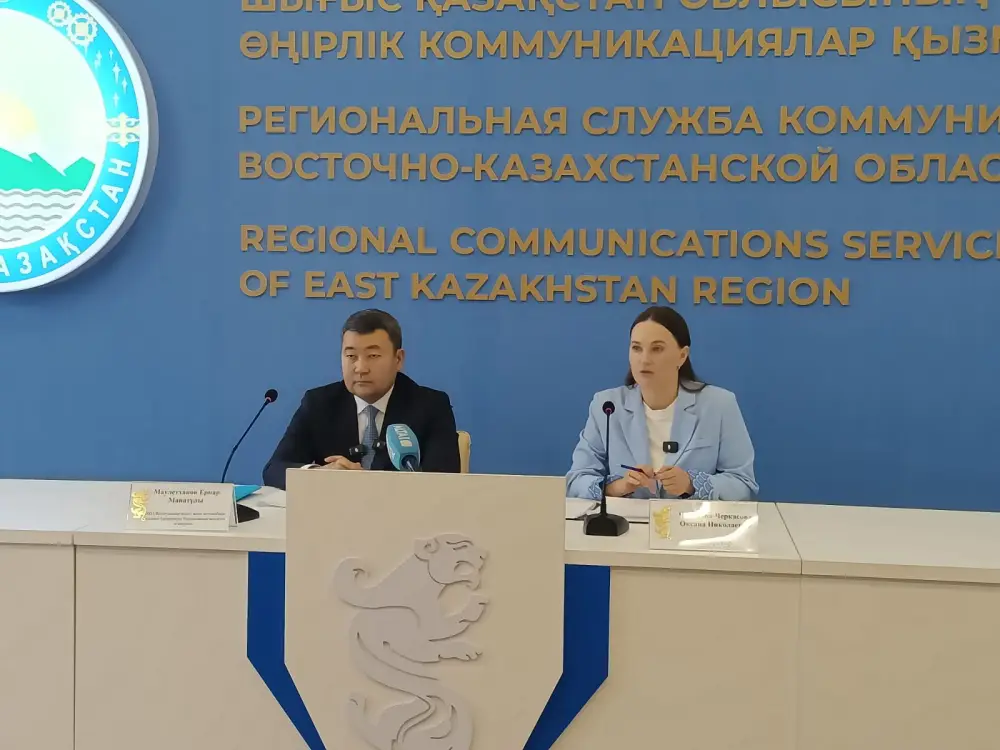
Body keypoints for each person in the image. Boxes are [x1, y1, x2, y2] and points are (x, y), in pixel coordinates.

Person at [566, 306, 758, 502]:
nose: (644, 359)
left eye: (657, 349)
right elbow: (576, 480)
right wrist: (619, 487)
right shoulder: (607, 406)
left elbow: (743, 485)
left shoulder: (719, 405)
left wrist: (692, 484)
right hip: (626, 520)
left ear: (682, 355)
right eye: (636, 348)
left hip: (692, 520)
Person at [262, 309, 461, 489]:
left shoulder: (431, 406)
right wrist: (320, 474)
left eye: (373, 356)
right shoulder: (319, 403)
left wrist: (364, 484)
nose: (360, 368)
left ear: (398, 359)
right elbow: (274, 469)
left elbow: (444, 481)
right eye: (351, 356)